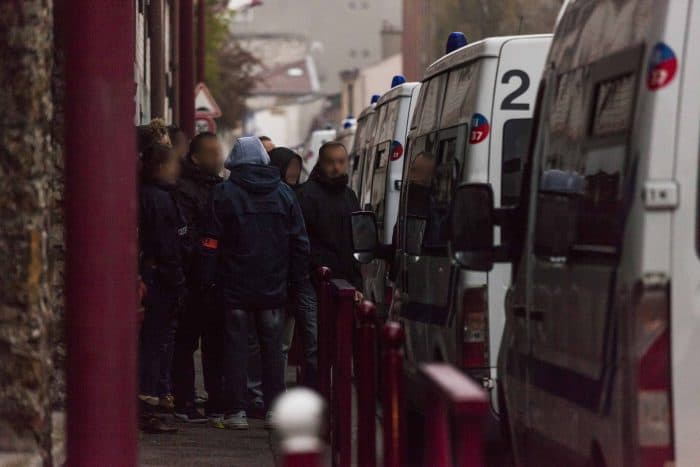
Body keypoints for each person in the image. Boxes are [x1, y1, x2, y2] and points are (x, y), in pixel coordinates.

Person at [201, 136, 310, 430]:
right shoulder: (285, 194)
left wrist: (207, 279)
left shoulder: (222, 194)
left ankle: (236, 411)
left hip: (233, 287)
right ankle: (275, 409)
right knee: (273, 350)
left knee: (235, 348)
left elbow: (210, 242)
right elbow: (300, 243)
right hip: (273, 288)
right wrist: (295, 281)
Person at [171, 132, 224, 424]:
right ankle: (185, 401)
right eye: (212, 153)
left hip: (213, 279)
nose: (218, 158)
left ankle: (215, 402)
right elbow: (188, 236)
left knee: (215, 344)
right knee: (186, 342)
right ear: (195, 157)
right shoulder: (185, 189)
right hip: (192, 280)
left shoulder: (219, 187)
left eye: (219, 152)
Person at [138, 143, 188, 433]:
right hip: (162, 281)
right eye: (172, 164)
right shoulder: (160, 199)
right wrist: (177, 279)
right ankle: (148, 408)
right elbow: (168, 244)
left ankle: (149, 403)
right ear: (160, 167)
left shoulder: (150, 196)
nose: (177, 170)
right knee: (155, 345)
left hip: (155, 277)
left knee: (154, 344)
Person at [269, 147, 318, 386]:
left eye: (297, 167)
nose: (294, 172)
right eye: (290, 167)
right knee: (276, 341)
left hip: (297, 279)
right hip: (277, 280)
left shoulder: (302, 194)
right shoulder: (278, 195)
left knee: (295, 341)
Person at [297, 142, 363, 297]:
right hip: (314, 284)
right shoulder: (305, 195)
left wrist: (357, 284)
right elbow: (299, 242)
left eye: (341, 161)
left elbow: (357, 239)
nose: (336, 167)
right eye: (330, 162)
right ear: (321, 163)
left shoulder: (349, 196)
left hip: (347, 284)